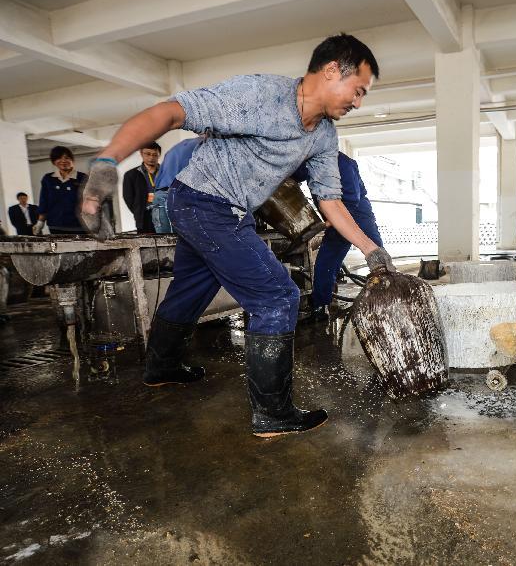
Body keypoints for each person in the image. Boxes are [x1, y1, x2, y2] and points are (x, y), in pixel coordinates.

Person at [78, 33, 393, 438]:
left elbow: (330, 199)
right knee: (277, 295)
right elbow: (169, 113)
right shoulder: (259, 95)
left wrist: (370, 250)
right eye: (359, 90)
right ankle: (273, 413)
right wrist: (108, 160)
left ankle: (162, 367)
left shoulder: (323, 136)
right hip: (202, 203)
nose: (358, 102)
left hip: (224, 209)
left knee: (192, 286)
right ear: (333, 70)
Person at [293, 151, 382, 322]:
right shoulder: (310, 161)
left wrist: (327, 223)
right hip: (335, 215)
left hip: (357, 213)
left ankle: (389, 295)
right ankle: (320, 306)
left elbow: (351, 200)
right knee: (326, 264)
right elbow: (296, 174)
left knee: (377, 255)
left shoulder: (342, 163)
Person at [151, 137, 203, 233]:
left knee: (164, 243)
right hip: (175, 198)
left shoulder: (182, 145)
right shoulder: (203, 147)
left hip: (160, 198)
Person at [34, 146, 86, 235]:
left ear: (72, 160)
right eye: (59, 158)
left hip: (78, 226)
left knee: (80, 248)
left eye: (67, 158)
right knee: (56, 248)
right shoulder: (48, 179)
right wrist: (40, 223)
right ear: (54, 162)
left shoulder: (82, 178)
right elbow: (44, 202)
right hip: (55, 225)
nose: (63, 161)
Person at [123, 141, 161, 233]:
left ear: (159, 155)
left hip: (164, 214)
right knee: (148, 244)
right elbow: (128, 197)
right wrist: (138, 211)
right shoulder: (131, 175)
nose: (151, 157)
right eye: (148, 154)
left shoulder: (166, 172)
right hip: (145, 216)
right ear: (141, 153)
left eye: (155, 155)